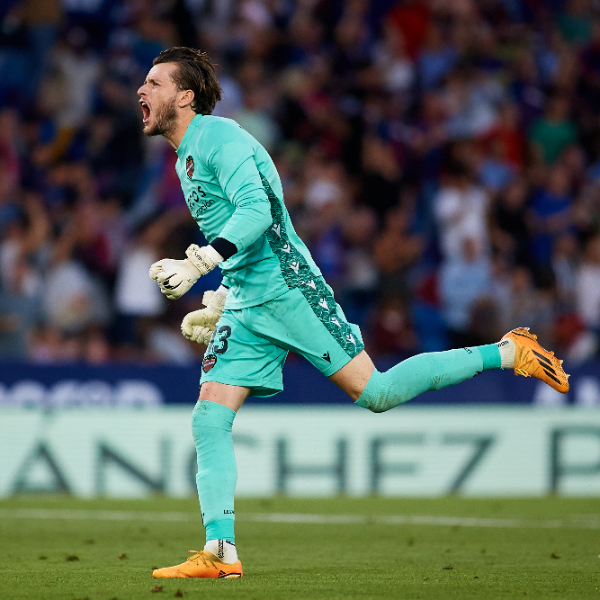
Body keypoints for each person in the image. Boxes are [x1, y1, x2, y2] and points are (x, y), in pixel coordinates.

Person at [139, 47, 569, 579]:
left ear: (185, 96)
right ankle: (221, 551)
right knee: (209, 418)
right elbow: (250, 227)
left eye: (155, 82)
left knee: (376, 394)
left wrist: (203, 261)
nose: (142, 89)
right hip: (252, 300)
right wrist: (229, 290)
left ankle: (506, 351)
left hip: (289, 290)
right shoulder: (186, 154)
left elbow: (259, 211)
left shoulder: (218, 138)